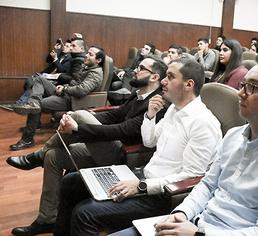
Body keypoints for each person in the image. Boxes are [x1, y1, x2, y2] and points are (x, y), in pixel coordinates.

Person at [112, 53, 258, 236]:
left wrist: (200, 234)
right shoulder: (234, 136)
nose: (241, 93)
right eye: (242, 85)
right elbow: (207, 184)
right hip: (197, 223)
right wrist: (183, 212)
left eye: (252, 87)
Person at [53, 58, 222, 235]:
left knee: (85, 213)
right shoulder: (174, 108)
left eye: (170, 77)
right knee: (70, 182)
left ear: (188, 84)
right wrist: (150, 116)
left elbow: (190, 177)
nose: (163, 81)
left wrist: (141, 186)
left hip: (162, 196)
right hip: (143, 177)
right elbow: (150, 142)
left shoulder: (203, 123)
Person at [5, 56, 168, 235]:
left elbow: (122, 130)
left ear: (154, 77)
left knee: (80, 115)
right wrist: (74, 119)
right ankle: (47, 218)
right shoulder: (138, 94)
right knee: (53, 157)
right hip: (109, 146)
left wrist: (78, 127)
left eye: (142, 68)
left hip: (125, 155)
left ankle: (36, 156)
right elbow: (114, 116)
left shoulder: (157, 103)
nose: (136, 70)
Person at [9, 44, 103, 151]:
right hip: (66, 93)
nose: (86, 55)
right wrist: (64, 86)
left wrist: (65, 89)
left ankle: (27, 139)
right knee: (39, 79)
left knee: (38, 105)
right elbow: (75, 83)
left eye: (90, 54)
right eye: (87, 53)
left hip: (71, 100)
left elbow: (81, 91)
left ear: (98, 60)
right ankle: (33, 102)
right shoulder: (87, 67)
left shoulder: (95, 74)